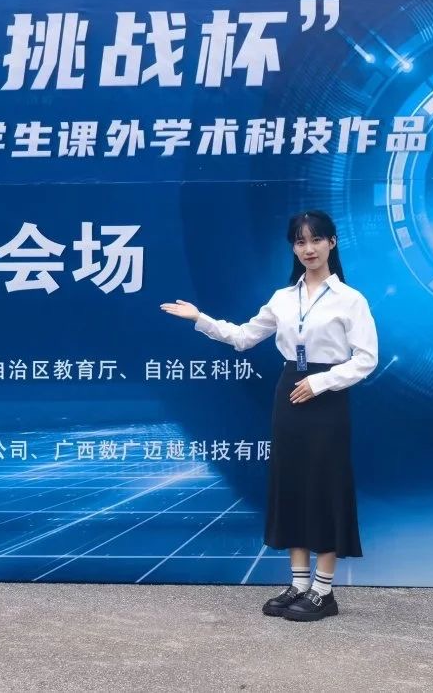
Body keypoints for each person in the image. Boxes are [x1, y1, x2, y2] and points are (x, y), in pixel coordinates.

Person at [160, 210, 378, 621]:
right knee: (291, 482)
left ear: (332, 242)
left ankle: (324, 590)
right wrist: (200, 319)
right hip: (289, 394)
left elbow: (366, 359)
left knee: (324, 485)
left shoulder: (351, 299)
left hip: (326, 397)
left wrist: (322, 382)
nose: (308, 249)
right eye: (300, 241)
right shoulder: (282, 298)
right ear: (293, 247)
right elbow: (243, 337)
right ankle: (299, 583)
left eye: (316, 239)